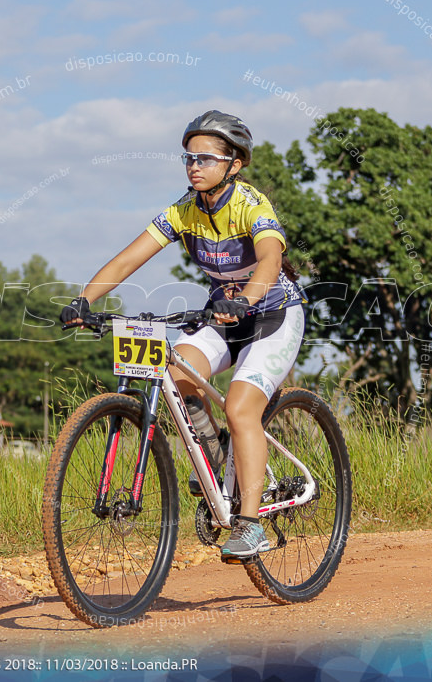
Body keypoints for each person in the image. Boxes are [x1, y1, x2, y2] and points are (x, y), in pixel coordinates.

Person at [60, 110, 305, 558]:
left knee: (239, 406)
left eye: (207, 158)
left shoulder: (252, 205)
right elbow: (126, 260)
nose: (195, 165)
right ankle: (216, 462)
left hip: (272, 315)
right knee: (175, 374)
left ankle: (250, 524)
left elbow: (269, 261)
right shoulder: (183, 212)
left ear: (234, 164)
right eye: (189, 157)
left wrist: (247, 300)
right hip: (224, 317)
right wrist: (85, 299)